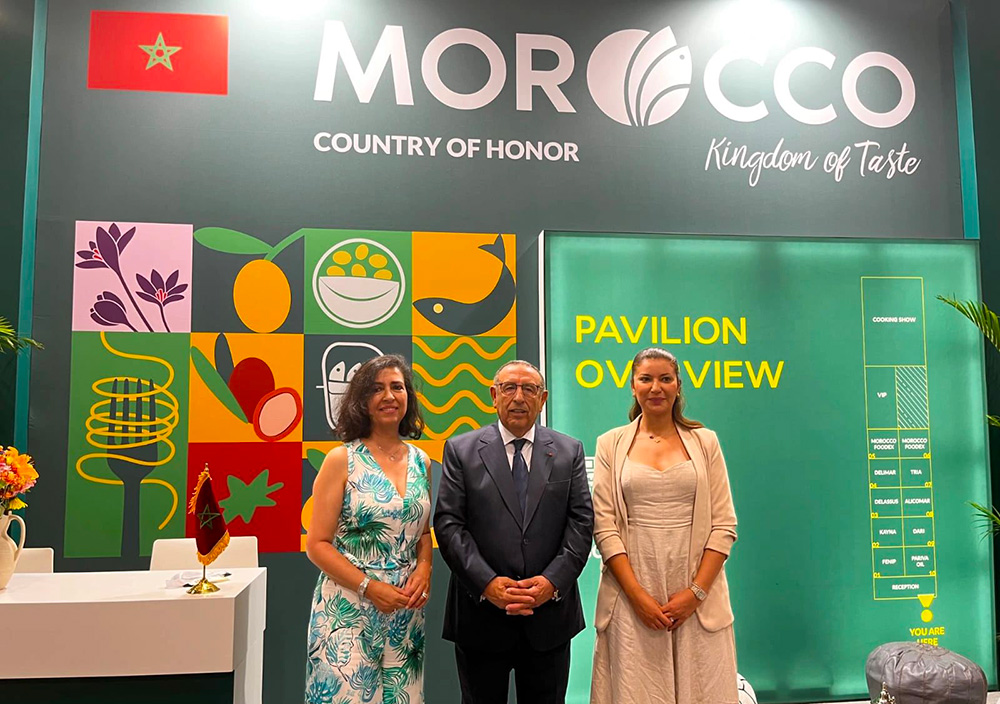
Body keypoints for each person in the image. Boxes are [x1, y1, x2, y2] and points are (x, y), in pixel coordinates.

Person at [434, 360, 594, 704]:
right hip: (480, 616)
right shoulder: (461, 450)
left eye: (529, 389)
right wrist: (487, 583)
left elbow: (581, 523)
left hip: (548, 619)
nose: (519, 397)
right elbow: (448, 524)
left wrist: (551, 582)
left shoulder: (569, 451)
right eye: (509, 388)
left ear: (543, 398)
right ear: (494, 396)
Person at [591, 347, 739, 704]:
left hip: (697, 595)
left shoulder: (706, 441)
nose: (655, 387)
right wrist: (638, 597)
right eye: (646, 379)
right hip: (630, 595)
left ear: (678, 386)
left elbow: (724, 525)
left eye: (665, 378)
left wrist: (695, 594)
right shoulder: (609, 444)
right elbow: (605, 528)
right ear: (633, 386)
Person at [305, 354, 433, 704]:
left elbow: (422, 532)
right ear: (362, 401)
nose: (389, 396)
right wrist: (369, 587)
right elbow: (317, 544)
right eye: (377, 389)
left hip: (405, 615)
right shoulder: (341, 460)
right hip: (347, 611)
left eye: (397, 387)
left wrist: (425, 567)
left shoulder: (421, 461)